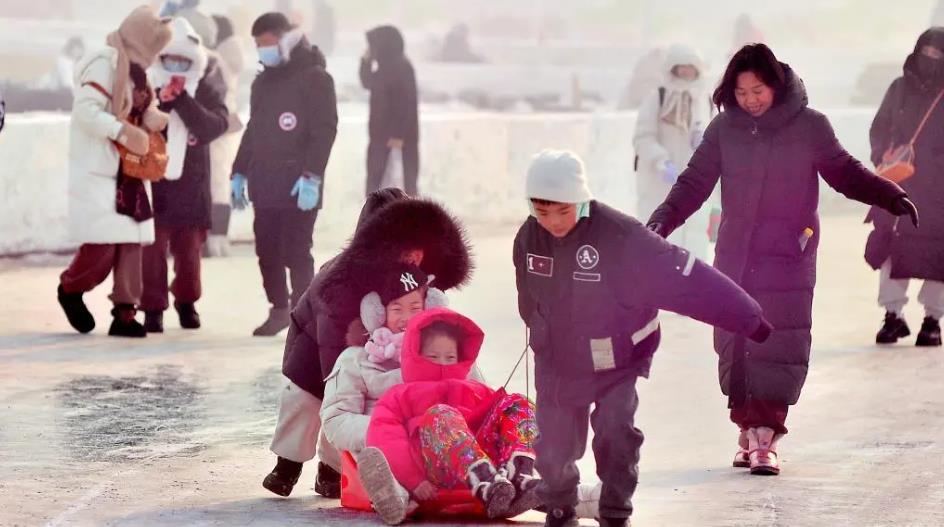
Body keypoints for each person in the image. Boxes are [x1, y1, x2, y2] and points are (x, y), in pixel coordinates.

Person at [647, 44, 919, 477]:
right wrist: (662, 220)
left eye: (758, 90)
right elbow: (695, 182)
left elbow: (844, 172)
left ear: (775, 85)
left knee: (779, 343)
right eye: (741, 92)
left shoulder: (809, 127)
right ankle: (749, 430)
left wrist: (890, 195)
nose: (751, 100)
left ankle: (766, 438)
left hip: (789, 254)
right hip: (736, 254)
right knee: (734, 342)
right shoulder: (724, 129)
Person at [515, 150, 775, 527]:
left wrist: (750, 319)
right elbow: (527, 297)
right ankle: (559, 506)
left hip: (617, 357)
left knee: (615, 432)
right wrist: (541, 332)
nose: (553, 222)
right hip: (559, 359)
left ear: (582, 199)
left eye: (562, 211)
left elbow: (689, 279)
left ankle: (616, 511)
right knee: (554, 442)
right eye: (543, 212)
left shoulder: (622, 236)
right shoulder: (528, 237)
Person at [265, 193, 473, 499]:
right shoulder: (338, 282)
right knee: (307, 403)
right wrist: (341, 381)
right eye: (403, 243)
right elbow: (331, 344)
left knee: (358, 407)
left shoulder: (415, 276)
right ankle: (287, 464)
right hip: (314, 350)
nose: (414, 254)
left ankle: (335, 470)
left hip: (373, 348)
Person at [361, 308, 540, 524]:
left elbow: (501, 416)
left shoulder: (474, 388)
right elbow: (385, 436)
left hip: (484, 457)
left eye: (450, 357)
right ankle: (484, 481)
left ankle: (517, 473)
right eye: (433, 356)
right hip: (435, 469)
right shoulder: (401, 395)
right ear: (414, 356)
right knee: (441, 414)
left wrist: (499, 407)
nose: (443, 364)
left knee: (517, 402)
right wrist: (413, 480)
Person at [56, 6, 172, 338]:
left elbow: (137, 105)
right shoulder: (105, 63)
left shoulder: (138, 70)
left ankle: (125, 313)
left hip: (131, 170)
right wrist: (122, 132)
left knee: (131, 245)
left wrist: (151, 117)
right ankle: (71, 288)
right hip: (103, 168)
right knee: (103, 246)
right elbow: (86, 111)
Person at [231, 12, 338, 336]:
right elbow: (253, 128)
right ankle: (279, 309)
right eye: (258, 45)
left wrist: (312, 176)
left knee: (296, 249)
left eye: (267, 43)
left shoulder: (315, 78)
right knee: (267, 250)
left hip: (298, 183)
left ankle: (302, 314)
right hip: (265, 180)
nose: (263, 50)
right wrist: (239, 171)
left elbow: (324, 131)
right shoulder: (262, 81)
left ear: (284, 38)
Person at [140, 18, 228, 333]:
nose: (176, 65)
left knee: (189, 254)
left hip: (192, 184)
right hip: (154, 183)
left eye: (183, 60)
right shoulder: (146, 83)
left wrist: (183, 101)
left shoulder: (206, 83)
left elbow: (214, 125)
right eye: (170, 59)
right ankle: (152, 308)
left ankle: (187, 302)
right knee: (151, 252)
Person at [867, 28, 944, 348]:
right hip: (899, 182)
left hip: (939, 188)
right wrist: (882, 153)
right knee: (892, 247)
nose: (930, 59)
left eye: (938, 55)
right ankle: (893, 315)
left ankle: (932, 319)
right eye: (925, 52)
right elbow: (880, 126)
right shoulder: (899, 88)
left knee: (939, 253)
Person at [633, 44, 714, 260]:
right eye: (682, 68)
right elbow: (643, 137)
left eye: (691, 68)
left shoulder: (703, 100)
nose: (686, 72)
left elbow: (711, 134)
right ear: (672, 68)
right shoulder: (657, 98)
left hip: (693, 183)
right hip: (659, 183)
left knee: (694, 236)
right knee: (658, 235)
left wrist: (703, 140)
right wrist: (661, 161)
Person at [360, 25, 419, 196]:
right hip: (379, 136)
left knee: (400, 188)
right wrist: (365, 61)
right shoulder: (383, 68)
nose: (371, 49)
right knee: (375, 184)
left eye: (373, 45)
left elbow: (406, 104)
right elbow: (367, 83)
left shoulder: (403, 68)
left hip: (398, 139)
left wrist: (398, 135)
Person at [205, 14, 245, 257]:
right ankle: (220, 238)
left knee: (214, 182)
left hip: (216, 124)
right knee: (221, 182)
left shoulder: (215, 59)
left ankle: (214, 238)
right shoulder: (233, 55)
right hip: (228, 124)